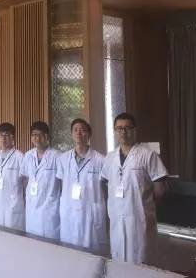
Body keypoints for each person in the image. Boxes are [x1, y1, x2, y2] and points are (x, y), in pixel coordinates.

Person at [101, 113, 167, 264]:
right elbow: (105, 184)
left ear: (134, 130)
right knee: (118, 262)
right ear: (115, 131)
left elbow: (160, 188)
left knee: (141, 262)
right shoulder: (109, 158)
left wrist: (144, 206)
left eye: (127, 128)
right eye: (119, 128)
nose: (123, 132)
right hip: (117, 218)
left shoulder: (147, 155)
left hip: (139, 219)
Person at [57, 118, 107, 253]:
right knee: (69, 253)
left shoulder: (100, 160)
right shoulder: (62, 159)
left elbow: (105, 188)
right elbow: (61, 185)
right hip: (69, 210)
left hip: (90, 212)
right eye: (75, 130)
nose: (79, 133)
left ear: (89, 134)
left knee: (92, 254)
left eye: (83, 130)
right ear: (71, 134)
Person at [20, 121, 61, 239]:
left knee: (49, 242)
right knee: (32, 242)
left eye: (39, 135)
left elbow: (62, 181)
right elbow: (25, 178)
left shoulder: (57, 156)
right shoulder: (28, 155)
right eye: (33, 135)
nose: (36, 138)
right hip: (32, 206)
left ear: (46, 136)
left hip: (49, 207)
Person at [0, 122, 25, 230]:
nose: (3, 139)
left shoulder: (19, 157)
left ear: (12, 137)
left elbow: (26, 182)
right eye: (1, 135)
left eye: (6, 135)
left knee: (12, 235)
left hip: (13, 205)